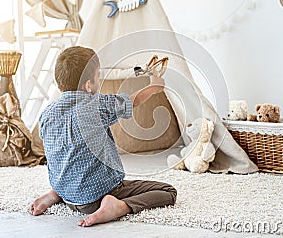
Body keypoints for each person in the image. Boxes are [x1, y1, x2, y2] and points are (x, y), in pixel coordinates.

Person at [30, 46, 177, 227]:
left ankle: (56, 194)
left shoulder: (47, 113)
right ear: (88, 85)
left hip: (68, 194)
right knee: (168, 191)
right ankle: (118, 207)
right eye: (98, 75)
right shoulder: (96, 105)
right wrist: (154, 86)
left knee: (71, 160)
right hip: (94, 198)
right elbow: (133, 101)